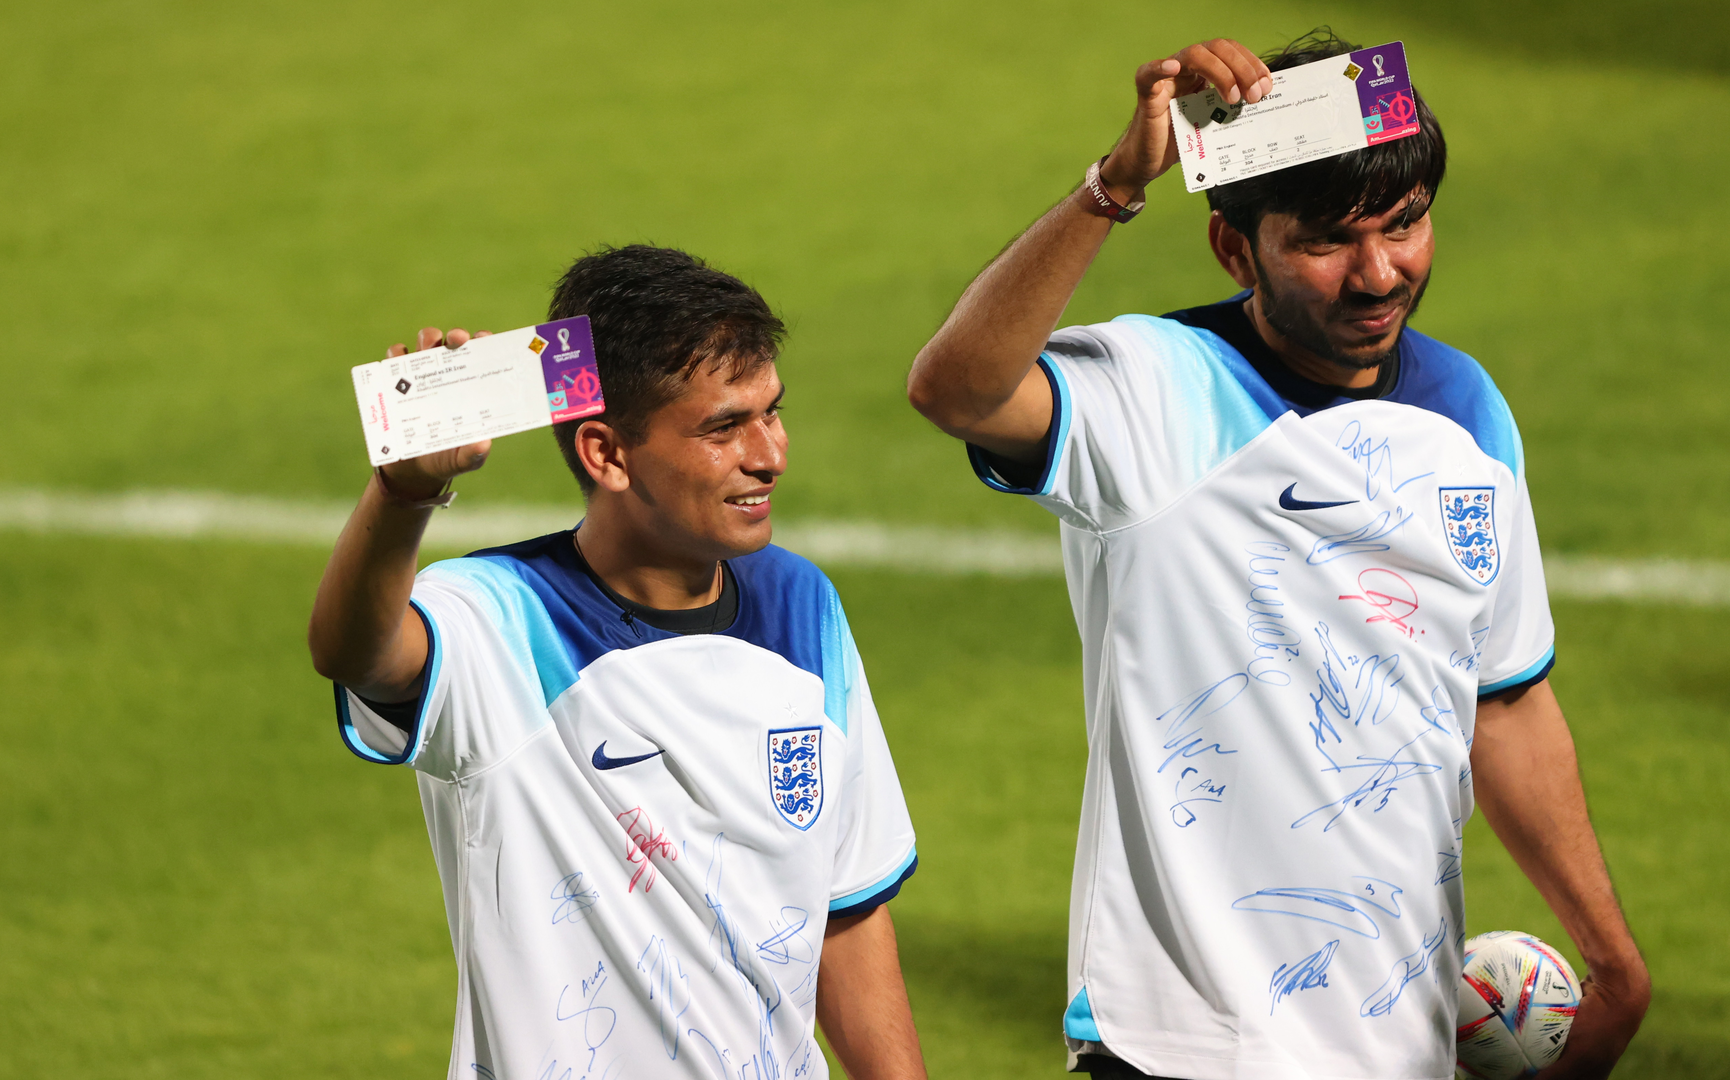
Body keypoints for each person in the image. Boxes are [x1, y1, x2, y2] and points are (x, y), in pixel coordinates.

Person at [907, 29, 1650, 1080]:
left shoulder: (1469, 412)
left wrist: (1614, 962)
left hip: (1398, 1043)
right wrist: (1114, 186)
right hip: (1181, 1047)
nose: (1379, 273)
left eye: (1405, 223)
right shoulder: (1152, 387)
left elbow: (1505, 700)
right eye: (1329, 241)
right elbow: (955, 390)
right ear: (1234, 248)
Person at [309, 245, 927, 1080]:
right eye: (724, 428)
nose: (770, 454)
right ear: (606, 453)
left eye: (772, 412)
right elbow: (354, 652)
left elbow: (845, 909)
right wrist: (403, 495)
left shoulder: (801, 604)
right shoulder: (495, 617)